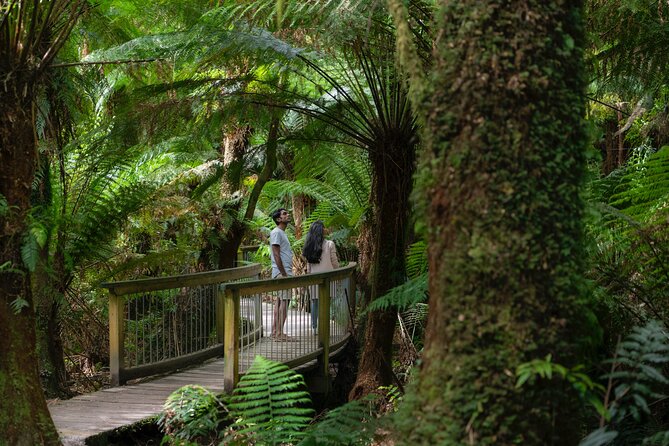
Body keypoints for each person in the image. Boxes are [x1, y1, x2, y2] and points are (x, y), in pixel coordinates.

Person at [302, 220, 339, 334]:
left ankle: (314, 328)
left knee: (315, 302)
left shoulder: (309, 246)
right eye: (324, 227)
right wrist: (338, 273)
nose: (326, 229)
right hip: (328, 277)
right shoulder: (329, 244)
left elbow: (308, 266)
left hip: (314, 278)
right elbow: (334, 262)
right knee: (326, 302)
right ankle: (324, 326)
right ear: (321, 230)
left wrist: (309, 276)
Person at [269, 208, 293, 340]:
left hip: (283, 272)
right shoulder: (276, 232)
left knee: (280, 301)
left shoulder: (281, 233)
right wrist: (284, 273)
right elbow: (276, 254)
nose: (287, 215)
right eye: (284, 214)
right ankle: (279, 333)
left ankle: (275, 331)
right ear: (278, 219)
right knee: (284, 301)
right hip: (282, 273)